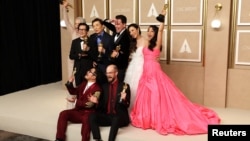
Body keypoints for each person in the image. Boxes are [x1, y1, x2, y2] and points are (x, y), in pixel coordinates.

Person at [130, 10, 221, 135]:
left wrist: (162, 17)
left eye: (152, 30)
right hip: (145, 72)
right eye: (149, 30)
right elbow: (138, 44)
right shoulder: (146, 43)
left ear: (155, 33)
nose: (150, 32)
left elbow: (161, 30)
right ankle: (148, 118)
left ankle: (158, 118)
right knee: (146, 95)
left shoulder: (157, 43)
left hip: (154, 71)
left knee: (158, 94)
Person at [55, 67, 102, 141]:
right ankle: (59, 139)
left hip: (88, 113)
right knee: (63, 114)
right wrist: (70, 83)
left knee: (87, 121)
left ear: (94, 76)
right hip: (78, 111)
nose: (87, 71)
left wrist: (76, 101)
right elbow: (74, 92)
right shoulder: (84, 83)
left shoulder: (97, 89)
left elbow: (89, 104)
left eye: (90, 71)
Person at [89, 64, 131, 141]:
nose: (108, 75)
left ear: (116, 73)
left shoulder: (124, 86)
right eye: (107, 73)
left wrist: (124, 99)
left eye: (110, 73)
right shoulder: (104, 87)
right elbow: (102, 105)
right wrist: (97, 101)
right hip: (108, 117)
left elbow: (127, 105)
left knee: (116, 118)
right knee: (92, 116)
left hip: (120, 118)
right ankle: (97, 139)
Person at [124, 23, 148, 111]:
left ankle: (142, 110)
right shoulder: (132, 42)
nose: (131, 33)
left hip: (142, 67)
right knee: (132, 87)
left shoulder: (146, 41)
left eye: (133, 30)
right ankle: (133, 109)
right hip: (132, 67)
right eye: (130, 31)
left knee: (140, 88)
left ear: (138, 29)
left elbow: (150, 55)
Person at [103, 15, 131, 82]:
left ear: (124, 25)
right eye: (115, 24)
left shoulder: (127, 35)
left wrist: (117, 54)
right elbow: (104, 22)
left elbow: (126, 52)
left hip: (121, 66)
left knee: (118, 86)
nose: (116, 26)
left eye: (118, 24)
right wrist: (110, 21)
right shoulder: (116, 30)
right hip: (111, 64)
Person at [88, 18, 114, 83]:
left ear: (103, 26)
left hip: (105, 65)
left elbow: (111, 54)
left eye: (97, 25)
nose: (95, 28)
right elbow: (90, 51)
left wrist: (103, 50)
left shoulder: (109, 38)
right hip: (94, 66)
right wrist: (92, 60)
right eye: (93, 26)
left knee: (104, 84)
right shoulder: (92, 37)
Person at [69, 23, 92, 87]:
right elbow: (71, 56)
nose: (81, 31)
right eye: (80, 29)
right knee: (79, 87)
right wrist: (79, 55)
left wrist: (88, 50)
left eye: (83, 29)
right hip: (78, 69)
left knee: (88, 88)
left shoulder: (92, 41)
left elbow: (94, 55)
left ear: (87, 31)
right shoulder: (75, 42)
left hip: (88, 69)